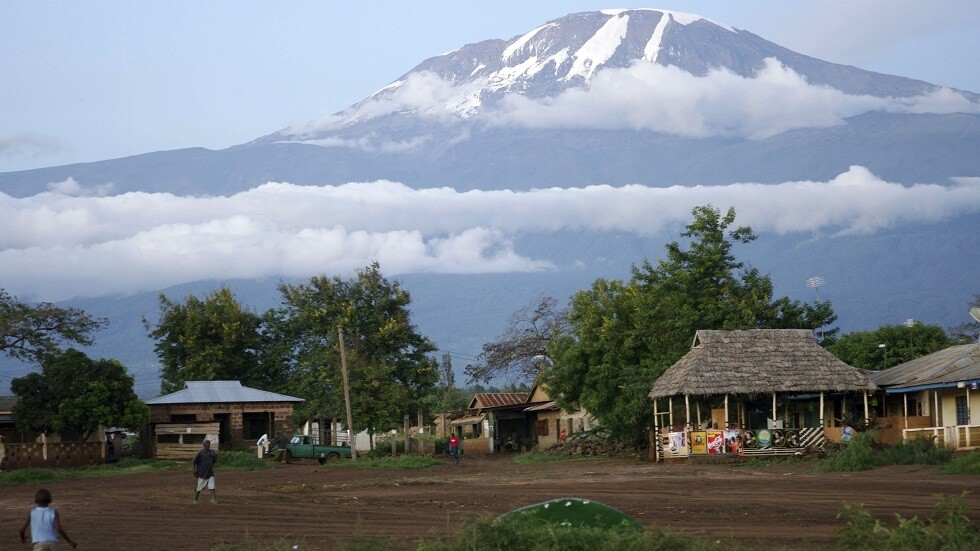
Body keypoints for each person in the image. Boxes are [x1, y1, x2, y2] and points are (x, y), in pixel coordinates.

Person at [192, 439, 218, 504]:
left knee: (212, 486)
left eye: (209, 443)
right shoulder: (200, 453)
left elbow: (214, 460)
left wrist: (214, 456)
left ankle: (213, 499)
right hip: (202, 473)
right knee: (199, 487)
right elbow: (194, 462)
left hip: (210, 472)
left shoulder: (212, 452)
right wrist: (194, 470)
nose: (209, 444)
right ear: (204, 445)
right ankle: (195, 499)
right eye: (207, 443)